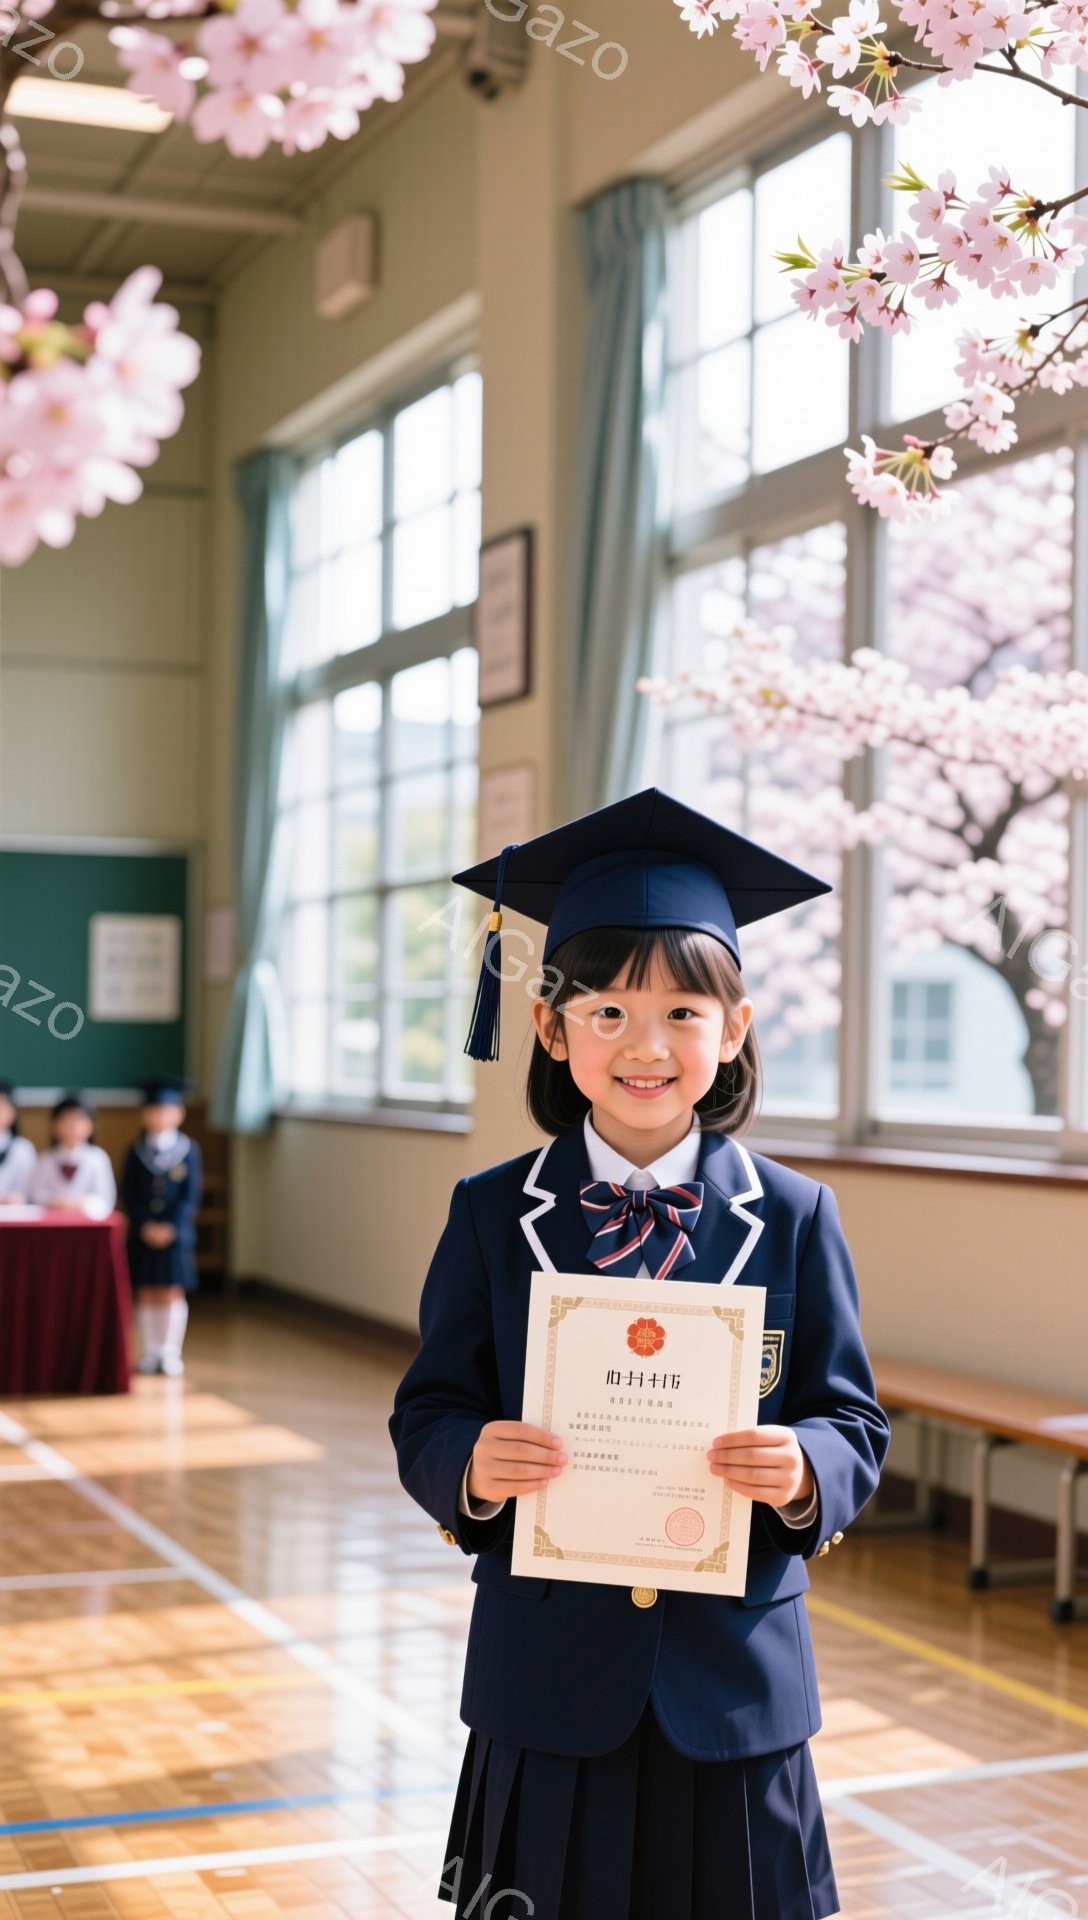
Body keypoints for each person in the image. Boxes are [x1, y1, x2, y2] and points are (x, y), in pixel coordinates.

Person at [388, 787, 892, 1920]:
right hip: (546, 1677)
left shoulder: (796, 1216)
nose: (645, 1045)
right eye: (606, 1011)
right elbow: (428, 1408)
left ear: (735, 1028)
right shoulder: (490, 1213)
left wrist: (805, 1468)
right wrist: (471, 1465)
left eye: (681, 1012)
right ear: (549, 1027)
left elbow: (852, 1418)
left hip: (736, 1680)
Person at [119, 1078, 203, 1377]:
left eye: (166, 1110)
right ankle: (150, 1350)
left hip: (176, 1236)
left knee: (170, 1291)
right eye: (153, 1110)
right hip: (143, 1235)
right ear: (143, 1114)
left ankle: (169, 1352)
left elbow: (190, 1196)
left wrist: (172, 1227)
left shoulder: (188, 1149)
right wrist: (144, 1225)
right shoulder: (136, 1150)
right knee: (146, 1291)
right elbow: (129, 1193)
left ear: (179, 1114)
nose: (159, 1116)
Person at [29, 1094, 116, 1218]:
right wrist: (55, 1202)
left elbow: (106, 1199)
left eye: (79, 1119)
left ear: (91, 1125)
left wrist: (80, 1203)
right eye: (66, 1120)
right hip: (52, 1222)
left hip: (88, 1224)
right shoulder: (46, 1158)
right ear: (54, 1125)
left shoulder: (98, 1158)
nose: (73, 1126)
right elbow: (35, 1194)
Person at [0, 1080, 37, 1203]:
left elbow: (28, 1191)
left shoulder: (23, 1149)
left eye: (3, 1105)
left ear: (13, 1111)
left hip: (14, 1212)